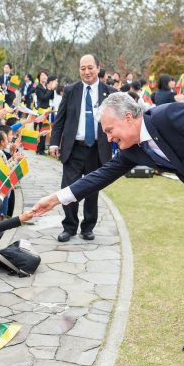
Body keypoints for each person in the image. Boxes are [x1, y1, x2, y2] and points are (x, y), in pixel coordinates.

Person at [34, 91, 184, 353]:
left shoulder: (172, 116)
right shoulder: (134, 151)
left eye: (109, 130)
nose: (109, 137)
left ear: (128, 117)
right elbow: (100, 176)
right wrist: (57, 198)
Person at [49, 54, 116, 243]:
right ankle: (69, 227)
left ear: (98, 68)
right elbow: (60, 120)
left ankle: (88, 227)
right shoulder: (71, 90)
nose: (86, 72)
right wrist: (54, 142)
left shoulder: (109, 92)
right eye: (82, 68)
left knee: (92, 190)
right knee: (68, 189)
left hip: (97, 148)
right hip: (73, 149)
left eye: (90, 67)